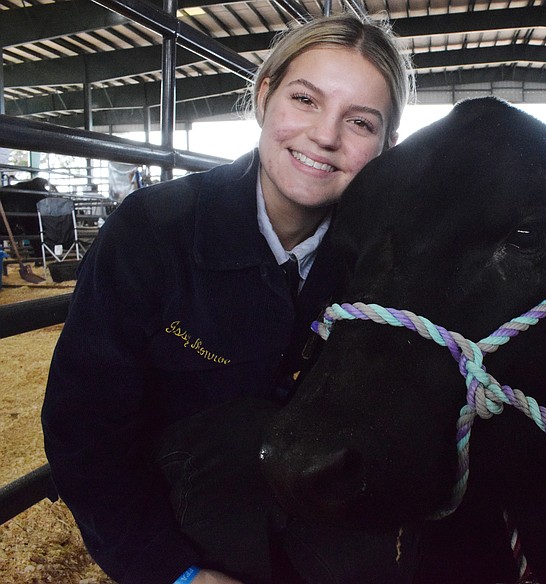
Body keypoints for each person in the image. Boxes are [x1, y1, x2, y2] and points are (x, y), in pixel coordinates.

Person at [41, 13, 415, 584]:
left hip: (319, 509)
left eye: (360, 122)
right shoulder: (152, 233)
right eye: (305, 99)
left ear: (387, 147)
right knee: (244, 435)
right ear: (265, 94)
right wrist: (173, 572)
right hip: (180, 517)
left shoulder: (381, 264)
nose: (325, 135)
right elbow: (84, 428)